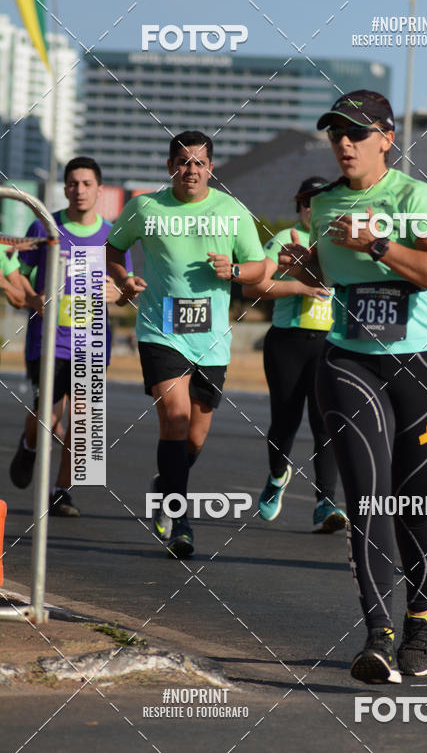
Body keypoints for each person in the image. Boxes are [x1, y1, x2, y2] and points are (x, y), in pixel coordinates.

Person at [279, 90, 427, 683]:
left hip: (425, 365)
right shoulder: (325, 203)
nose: (344, 143)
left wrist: (378, 245)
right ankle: (377, 635)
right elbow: (326, 271)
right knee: (367, 496)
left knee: (414, 500)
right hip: (350, 361)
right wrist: (302, 266)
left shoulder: (414, 197)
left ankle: (419, 618)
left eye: (357, 133)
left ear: (386, 138)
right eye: (335, 133)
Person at [106, 130, 266, 559]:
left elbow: (259, 266)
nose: (190, 169)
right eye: (183, 161)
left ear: (211, 168)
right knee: (174, 419)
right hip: (161, 332)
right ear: (170, 166)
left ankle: (165, 485)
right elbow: (112, 249)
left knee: (195, 436)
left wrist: (234, 270)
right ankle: (180, 521)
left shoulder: (231, 211)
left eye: (199, 162)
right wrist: (124, 279)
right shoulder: (145, 208)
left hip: (211, 340)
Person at [9, 156, 132, 517]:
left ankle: (61, 492)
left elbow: (125, 289)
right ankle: (30, 444)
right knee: (48, 417)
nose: (79, 190)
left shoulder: (113, 236)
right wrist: (32, 298)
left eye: (87, 184)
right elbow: (18, 273)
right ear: (64, 188)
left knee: (83, 420)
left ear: (99, 189)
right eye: (73, 184)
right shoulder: (44, 227)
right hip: (47, 340)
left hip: (91, 343)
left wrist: (119, 292)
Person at [242, 177, 346, 533]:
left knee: (326, 423)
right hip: (287, 343)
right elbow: (254, 286)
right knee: (285, 421)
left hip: (331, 344)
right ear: (299, 208)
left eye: (320, 202)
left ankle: (325, 502)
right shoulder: (286, 239)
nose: (312, 210)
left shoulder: (341, 238)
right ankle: (276, 476)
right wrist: (300, 286)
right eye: (306, 203)